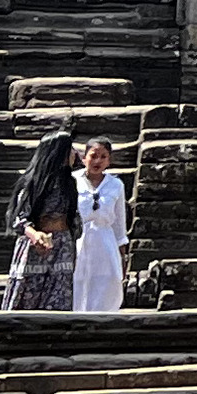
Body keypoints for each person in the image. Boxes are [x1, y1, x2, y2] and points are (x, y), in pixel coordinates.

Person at [1, 130, 77, 310]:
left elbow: (75, 217)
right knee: (28, 296)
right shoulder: (33, 183)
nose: (75, 153)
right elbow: (19, 218)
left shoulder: (70, 184)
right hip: (35, 247)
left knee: (59, 295)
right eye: (70, 148)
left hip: (62, 247)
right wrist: (35, 235)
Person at [72, 135, 133, 315]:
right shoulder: (72, 180)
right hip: (78, 240)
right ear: (84, 158)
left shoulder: (116, 185)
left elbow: (119, 225)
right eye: (93, 155)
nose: (97, 161)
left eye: (103, 156)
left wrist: (122, 256)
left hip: (105, 242)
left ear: (109, 160)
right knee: (78, 281)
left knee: (107, 284)